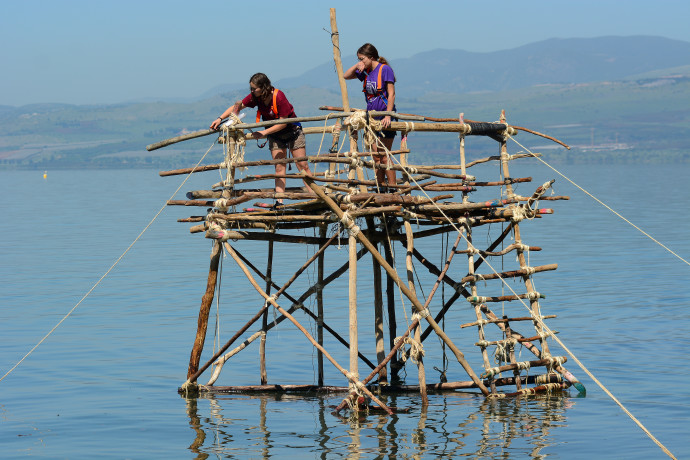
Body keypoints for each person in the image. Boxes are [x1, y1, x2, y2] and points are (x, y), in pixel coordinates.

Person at [210, 72, 312, 207]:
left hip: (292, 132)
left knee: (302, 166)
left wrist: (264, 132)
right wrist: (220, 118)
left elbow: (284, 122)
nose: (252, 91)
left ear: (263, 87)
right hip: (275, 135)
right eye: (250, 89)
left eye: (254, 88)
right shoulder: (255, 97)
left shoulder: (279, 97)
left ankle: (315, 195)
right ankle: (279, 201)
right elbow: (237, 107)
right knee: (279, 167)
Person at [344, 43, 397, 189]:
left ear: (371, 57)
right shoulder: (366, 71)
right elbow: (346, 75)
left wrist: (388, 114)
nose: (361, 61)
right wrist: (357, 65)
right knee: (375, 156)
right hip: (371, 118)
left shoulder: (384, 69)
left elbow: (391, 93)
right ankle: (380, 187)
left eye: (362, 58)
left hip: (385, 116)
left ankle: (393, 187)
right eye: (359, 59)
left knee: (384, 154)